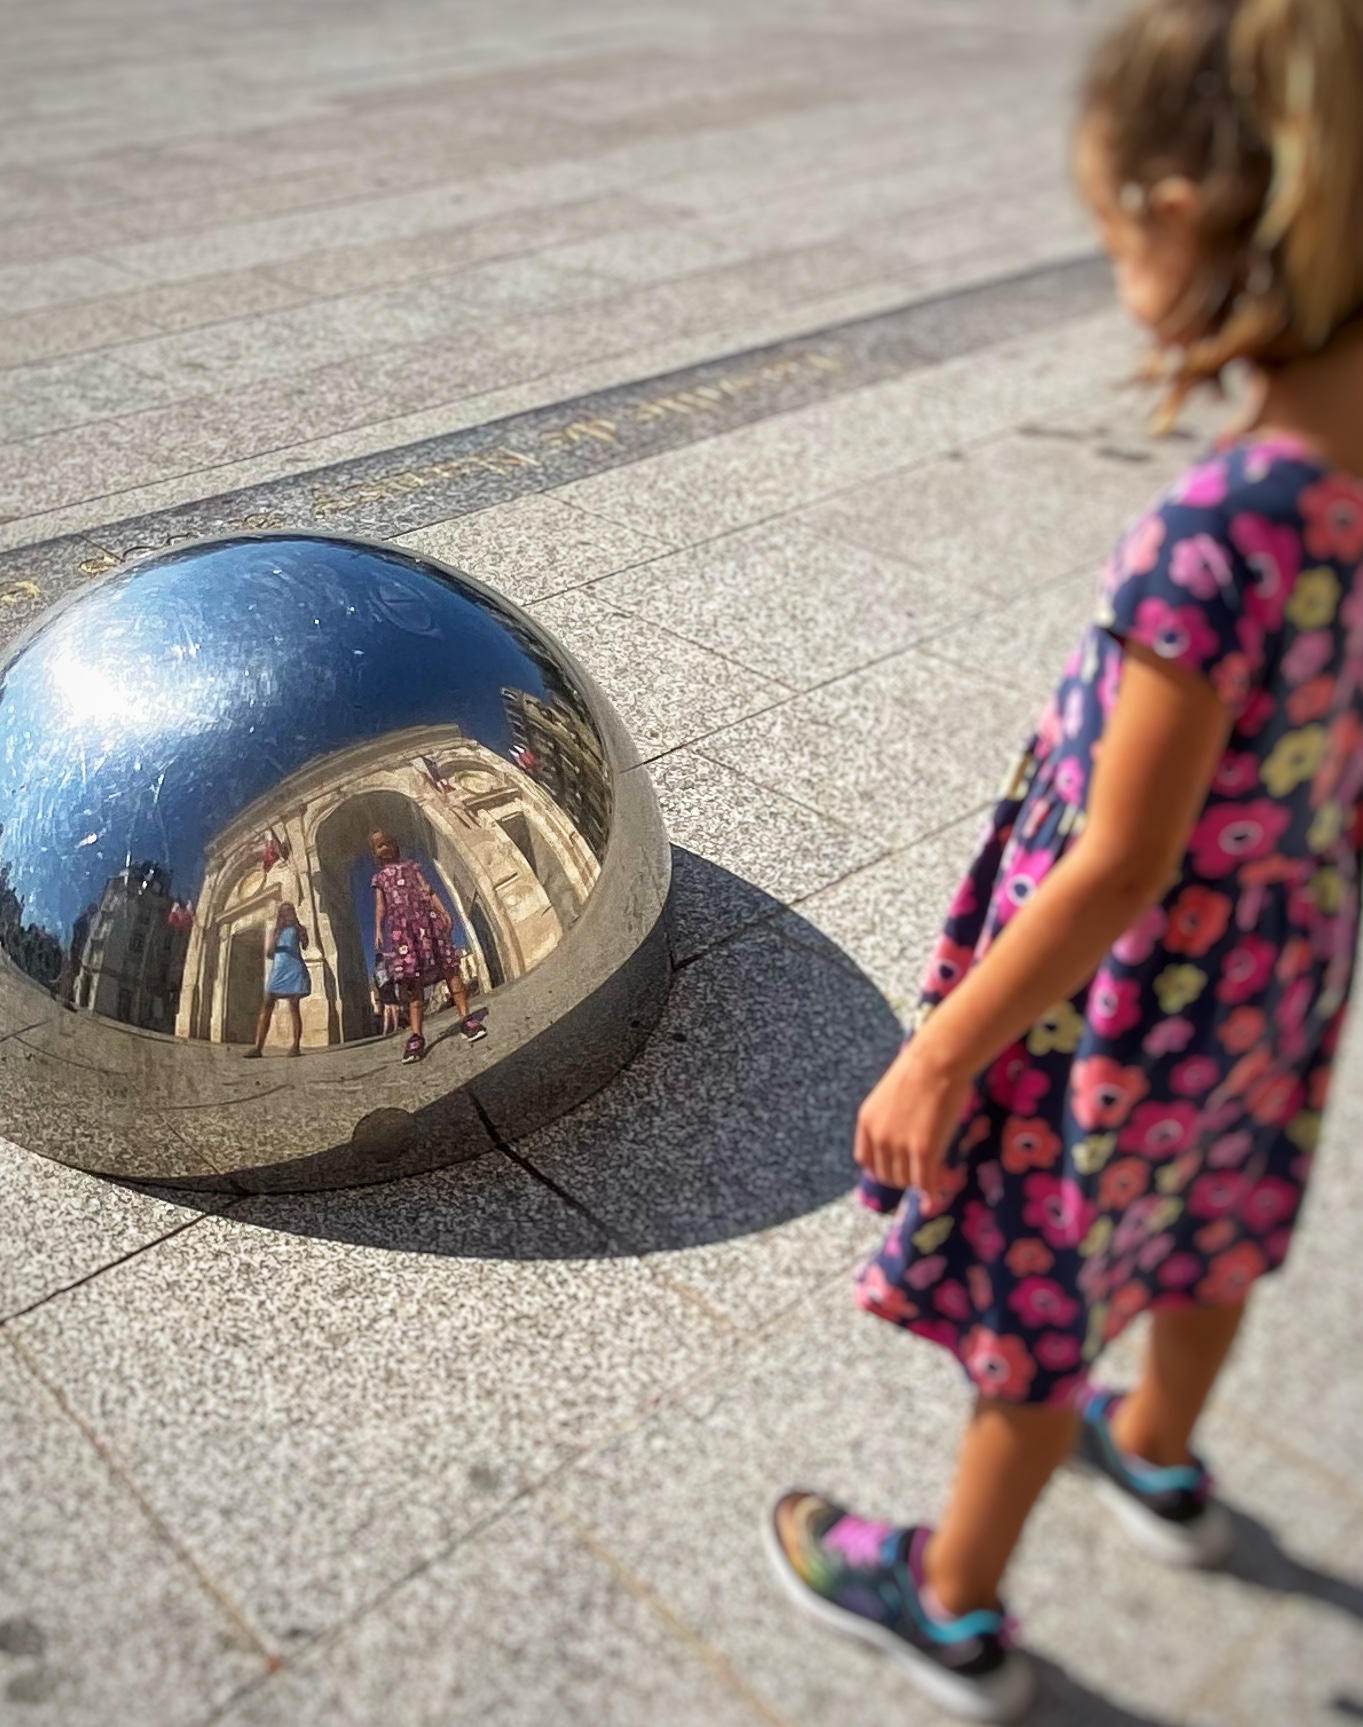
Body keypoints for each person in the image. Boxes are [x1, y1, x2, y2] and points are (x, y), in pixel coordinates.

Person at [766, 1, 1363, 1718]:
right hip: (1279, 964)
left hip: (1121, 999)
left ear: (1179, 212)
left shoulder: (1217, 533)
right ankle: (1159, 1452)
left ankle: (949, 1602)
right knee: (1214, 1221)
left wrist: (941, 1050)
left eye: (1110, 229)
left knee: (1046, 1285)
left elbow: (1113, 863)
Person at [370, 830, 486, 1062]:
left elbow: (428, 890)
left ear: (395, 845)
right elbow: (381, 905)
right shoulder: (379, 878)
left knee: (449, 969)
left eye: (388, 843)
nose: (385, 848)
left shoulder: (412, 867)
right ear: (375, 852)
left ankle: (466, 1018)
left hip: (427, 922)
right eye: (379, 845)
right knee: (414, 983)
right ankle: (416, 1035)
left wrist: (443, 910)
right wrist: (378, 929)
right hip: (403, 931)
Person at [243, 902, 310, 1058]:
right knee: (267, 1003)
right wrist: (276, 936)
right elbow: (269, 954)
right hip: (278, 970)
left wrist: (301, 930)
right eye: (284, 911)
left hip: (294, 969)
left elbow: (305, 946)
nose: (287, 913)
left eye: (290, 910)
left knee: (294, 1007)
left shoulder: (299, 928)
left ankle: (295, 1046)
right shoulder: (276, 930)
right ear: (281, 914)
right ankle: (258, 1048)